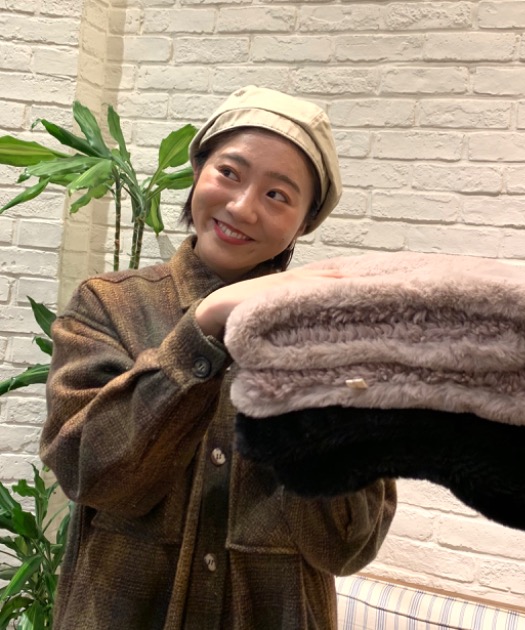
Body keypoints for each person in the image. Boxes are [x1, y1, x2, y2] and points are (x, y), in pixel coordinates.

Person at [40, 86, 397, 630]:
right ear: (198, 170)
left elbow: (346, 546)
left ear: (304, 222)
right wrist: (203, 330)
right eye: (229, 172)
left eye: (278, 195)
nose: (242, 207)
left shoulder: (338, 338)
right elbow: (90, 475)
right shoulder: (108, 305)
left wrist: (317, 391)